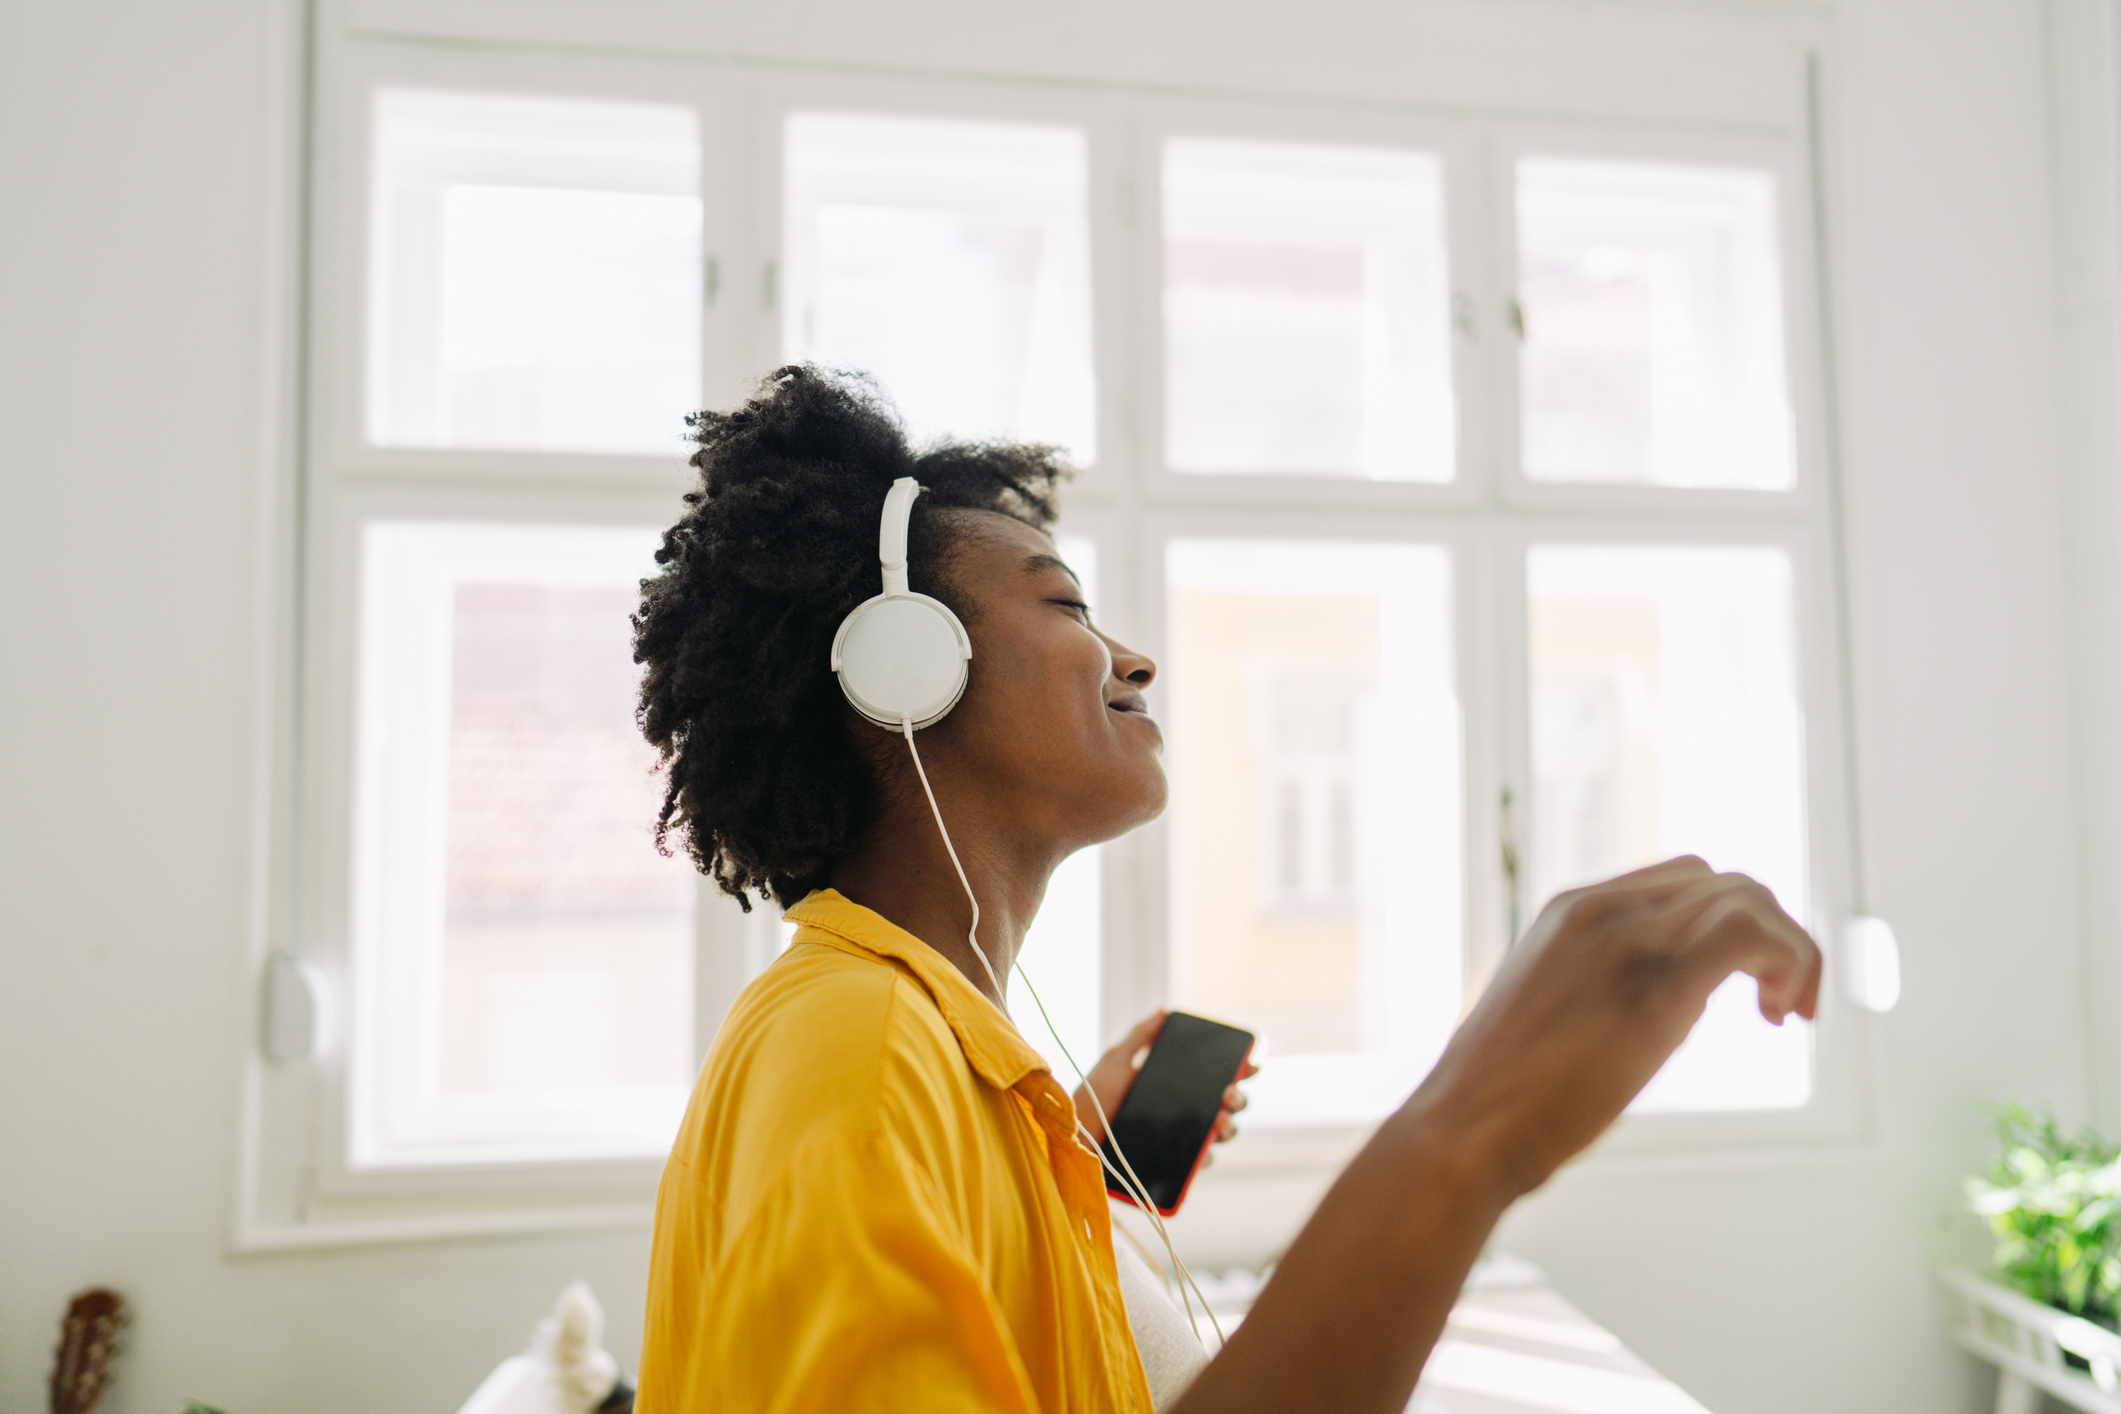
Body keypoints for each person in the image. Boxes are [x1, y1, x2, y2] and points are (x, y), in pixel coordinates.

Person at [630, 366, 1821, 1414]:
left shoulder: (928, 1055)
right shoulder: (858, 1056)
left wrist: (1071, 1181)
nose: (1135, 658)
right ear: (905, 668)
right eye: (1064, 604)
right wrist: (1473, 1128)